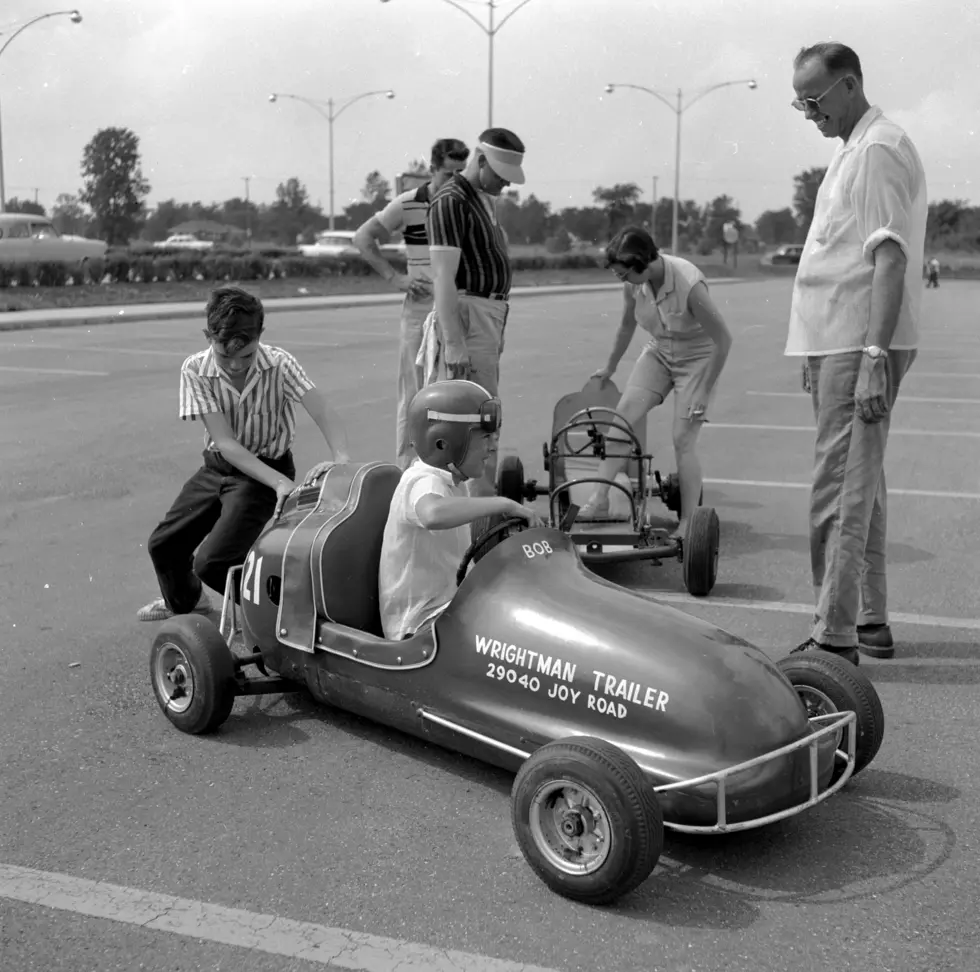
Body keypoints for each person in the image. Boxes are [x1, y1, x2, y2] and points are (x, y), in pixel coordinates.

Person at [786, 42, 926, 663]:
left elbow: (888, 258)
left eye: (813, 100)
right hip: (838, 341)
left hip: (857, 341)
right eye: (800, 103)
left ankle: (832, 638)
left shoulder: (874, 149)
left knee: (838, 490)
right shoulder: (856, 147)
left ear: (848, 85)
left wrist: (871, 354)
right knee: (860, 484)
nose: (808, 113)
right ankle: (867, 618)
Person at [137, 286, 351, 622]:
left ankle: (285, 619)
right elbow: (226, 443)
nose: (236, 365)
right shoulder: (195, 369)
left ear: (260, 336)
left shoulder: (279, 364)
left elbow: (322, 410)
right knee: (164, 545)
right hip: (220, 466)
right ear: (208, 336)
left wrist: (340, 460)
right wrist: (281, 483)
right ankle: (190, 604)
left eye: (246, 355)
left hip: (265, 469)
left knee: (213, 561)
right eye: (225, 356)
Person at [578, 225, 733, 539]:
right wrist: (609, 367)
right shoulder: (635, 284)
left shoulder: (689, 284)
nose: (621, 280)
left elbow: (723, 340)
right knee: (621, 420)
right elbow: (625, 326)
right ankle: (600, 498)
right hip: (661, 351)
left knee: (683, 439)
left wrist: (703, 390)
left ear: (643, 264)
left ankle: (690, 521)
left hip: (699, 358)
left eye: (624, 274)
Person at [379, 380, 541, 641]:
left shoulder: (452, 484)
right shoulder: (421, 479)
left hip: (449, 610)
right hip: (419, 627)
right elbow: (432, 513)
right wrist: (504, 503)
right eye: (485, 437)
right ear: (443, 443)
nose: (493, 446)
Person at [353, 138, 471, 469]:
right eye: (450, 173)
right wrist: (396, 279)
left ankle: (449, 468)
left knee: (455, 392)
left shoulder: (467, 203)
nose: (457, 180)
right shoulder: (407, 204)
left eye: (462, 173)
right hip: (420, 308)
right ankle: (408, 472)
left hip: (459, 307)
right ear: (432, 170)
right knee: (414, 393)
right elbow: (362, 238)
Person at [426, 127, 527, 495]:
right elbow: (442, 276)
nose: (504, 184)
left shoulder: (482, 198)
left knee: (481, 414)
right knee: (478, 418)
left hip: (488, 315)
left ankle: (479, 507)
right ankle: (480, 514)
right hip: (470, 313)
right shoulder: (452, 200)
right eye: (500, 175)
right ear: (481, 161)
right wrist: (454, 342)